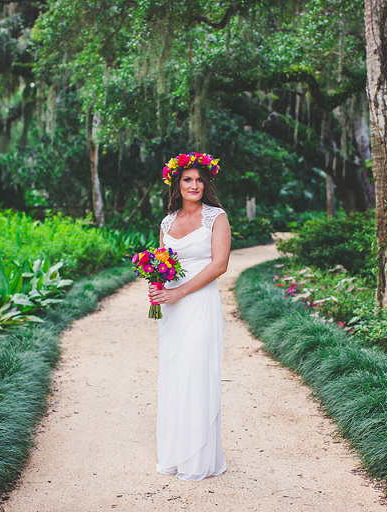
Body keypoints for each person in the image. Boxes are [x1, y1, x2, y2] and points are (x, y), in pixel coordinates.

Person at [147, 152, 231, 481]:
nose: (194, 185)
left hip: (199, 303)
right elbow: (161, 262)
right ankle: (175, 455)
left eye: (199, 180)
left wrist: (179, 292)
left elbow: (219, 265)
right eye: (187, 179)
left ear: (206, 183)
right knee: (175, 373)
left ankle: (199, 459)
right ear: (177, 184)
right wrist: (156, 284)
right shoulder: (167, 222)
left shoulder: (216, 218)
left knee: (196, 372)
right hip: (171, 309)